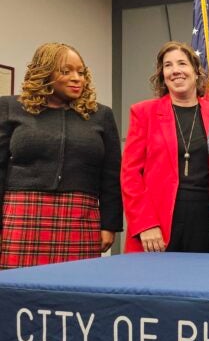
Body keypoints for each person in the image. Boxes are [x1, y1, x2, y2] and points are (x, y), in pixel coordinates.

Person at [0, 42, 122, 268]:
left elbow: (111, 175)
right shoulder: (10, 107)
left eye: (81, 72)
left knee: (75, 293)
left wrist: (109, 225)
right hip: (21, 217)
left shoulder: (100, 115)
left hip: (80, 217)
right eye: (66, 71)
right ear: (44, 73)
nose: (77, 78)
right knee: (16, 292)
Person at [121, 41, 209, 253]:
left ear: (196, 72)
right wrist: (145, 223)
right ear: (162, 75)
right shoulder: (143, 113)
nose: (175, 70)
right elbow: (130, 175)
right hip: (157, 222)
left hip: (207, 220)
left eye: (182, 63)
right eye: (168, 65)